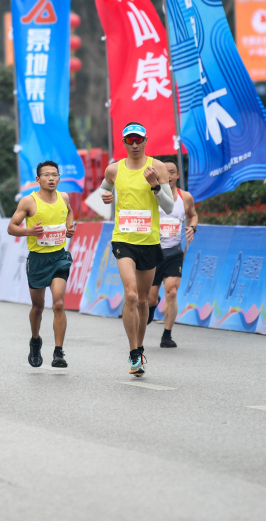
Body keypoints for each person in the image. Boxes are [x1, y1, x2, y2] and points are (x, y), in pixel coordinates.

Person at [99, 123, 176, 377]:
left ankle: (140, 346)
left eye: (138, 140)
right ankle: (133, 351)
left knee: (143, 300)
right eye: (129, 141)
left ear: (145, 141)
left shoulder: (159, 168)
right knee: (130, 295)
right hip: (123, 240)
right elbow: (104, 189)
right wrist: (105, 196)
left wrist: (155, 184)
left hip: (149, 241)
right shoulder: (114, 169)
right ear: (123, 142)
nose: (134, 145)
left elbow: (167, 207)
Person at [7, 161, 75, 369]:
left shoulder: (64, 197)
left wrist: (70, 226)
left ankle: (58, 351)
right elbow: (11, 227)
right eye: (47, 175)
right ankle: (35, 340)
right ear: (38, 179)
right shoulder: (29, 202)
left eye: (55, 174)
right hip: (37, 260)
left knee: (59, 304)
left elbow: (69, 211)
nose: (52, 178)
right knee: (37, 307)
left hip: (59, 257)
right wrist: (30, 232)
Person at [147, 160, 199, 348]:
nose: (168, 176)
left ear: (177, 176)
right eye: (165, 172)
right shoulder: (152, 195)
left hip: (174, 251)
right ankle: (152, 305)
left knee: (172, 291)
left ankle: (167, 335)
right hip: (153, 252)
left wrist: (192, 227)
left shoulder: (185, 198)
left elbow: (193, 214)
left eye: (172, 172)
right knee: (150, 298)